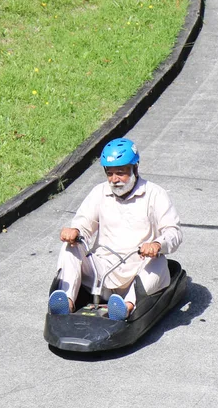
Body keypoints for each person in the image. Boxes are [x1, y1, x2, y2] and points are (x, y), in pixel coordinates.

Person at [49, 137, 183, 320]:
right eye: (110, 173)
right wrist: (75, 231)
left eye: (120, 173)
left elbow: (173, 232)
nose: (115, 179)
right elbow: (83, 223)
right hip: (102, 271)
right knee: (71, 247)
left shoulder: (154, 194)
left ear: (135, 168)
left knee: (159, 262)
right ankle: (67, 302)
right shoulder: (99, 192)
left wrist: (157, 244)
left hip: (139, 267)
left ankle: (125, 307)